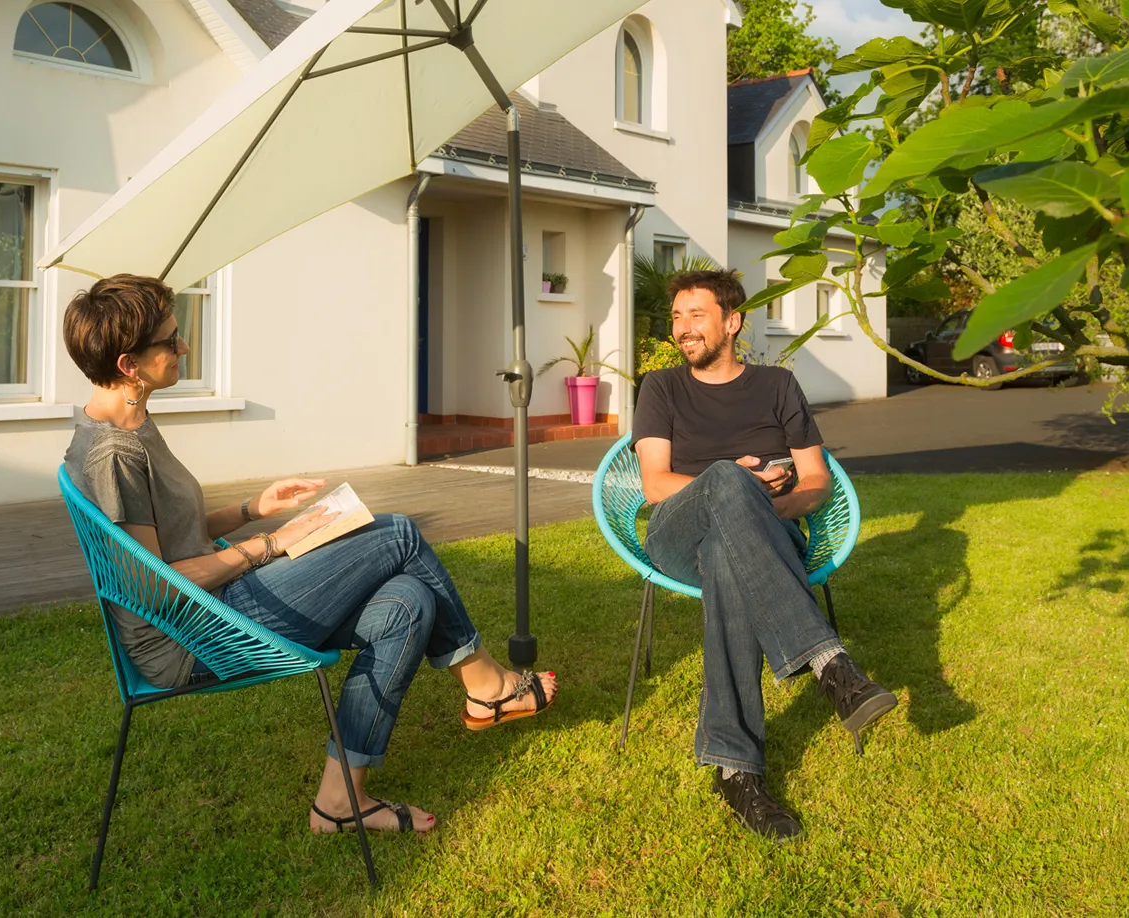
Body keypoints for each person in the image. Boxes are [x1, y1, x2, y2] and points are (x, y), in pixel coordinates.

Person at [61, 273, 559, 835]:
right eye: (170, 340)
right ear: (129, 365)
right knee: (396, 532)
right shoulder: (113, 456)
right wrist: (267, 546)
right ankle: (485, 684)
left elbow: (164, 535)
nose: (183, 346)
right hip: (192, 637)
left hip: (215, 605)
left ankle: (339, 803)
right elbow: (152, 585)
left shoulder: (126, 419)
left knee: (409, 602)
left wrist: (254, 507)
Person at [633, 268, 897, 842]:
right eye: (677, 317)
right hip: (675, 536)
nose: (683, 328)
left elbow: (815, 480)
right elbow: (654, 484)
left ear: (733, 322)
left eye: (696, 315)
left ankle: (736, 772)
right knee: (730, 480)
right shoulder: (661, 389)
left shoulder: (778, 386)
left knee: (731, 555)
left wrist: (752, 512)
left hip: (761, 536)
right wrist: (737, 486)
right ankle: (831, 665)